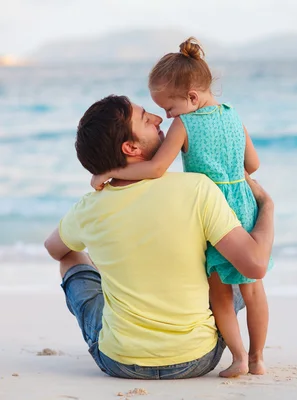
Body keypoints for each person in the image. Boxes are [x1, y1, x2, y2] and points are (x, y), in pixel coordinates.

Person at [43, 95, 275, 379]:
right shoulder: (197, 189)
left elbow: (55, 249)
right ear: (131, 147)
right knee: (231, 267)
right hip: (199, 357)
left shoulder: (90, 207)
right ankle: (250, 356)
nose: (159, 118)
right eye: (145, 119)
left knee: (72, 258)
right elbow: (256, 265)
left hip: (120, 362)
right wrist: (267, 206)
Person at [90, 37, 273, 377]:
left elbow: (157, 168)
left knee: (220, 292)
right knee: (252, 290)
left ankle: (240, 358)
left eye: (168, 108)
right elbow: (254, 163)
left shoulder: (185, 124)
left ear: (191, 97)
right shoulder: (234, 115)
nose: (165, 116)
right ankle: (260, 358)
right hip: (243, 203)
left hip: (213, 208)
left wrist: (113, 170)